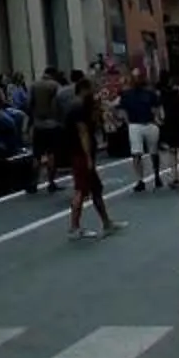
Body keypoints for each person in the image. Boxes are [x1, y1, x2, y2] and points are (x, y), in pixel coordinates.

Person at [64, 72, 122, 239]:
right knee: (81, 190)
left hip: (79, 153)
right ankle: (74, 227)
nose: (95, 91)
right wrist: (88, 157)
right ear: (84, 89)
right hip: (80, 154)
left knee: (95, 188)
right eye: (92, 88)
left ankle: (107, 222)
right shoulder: (78, 107)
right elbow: (83, 133)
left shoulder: (80, 105)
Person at [120, 75, 163, 191]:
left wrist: (157, 119)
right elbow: (122, 109)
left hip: (149, 123)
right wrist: (127, 121)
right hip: (135, 124)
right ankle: (140, 180)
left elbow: (156, 108)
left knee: (153, 152)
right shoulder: (127, 94)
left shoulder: (150, 93)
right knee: (136, 153)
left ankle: (156, 175)